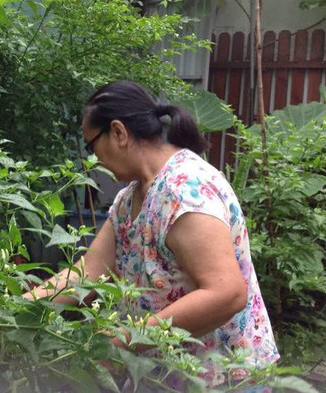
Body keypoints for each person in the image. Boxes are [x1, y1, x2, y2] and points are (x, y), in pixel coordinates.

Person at [24, 80, 279, 389]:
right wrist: (20, 307)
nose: (93, 159)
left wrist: (124, 338)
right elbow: (89, 272)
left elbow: (227, 293)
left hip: (221, 377)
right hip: (169, 375)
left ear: (118, 132)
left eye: (91, 146)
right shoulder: (130, 198)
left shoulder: (185, 190)